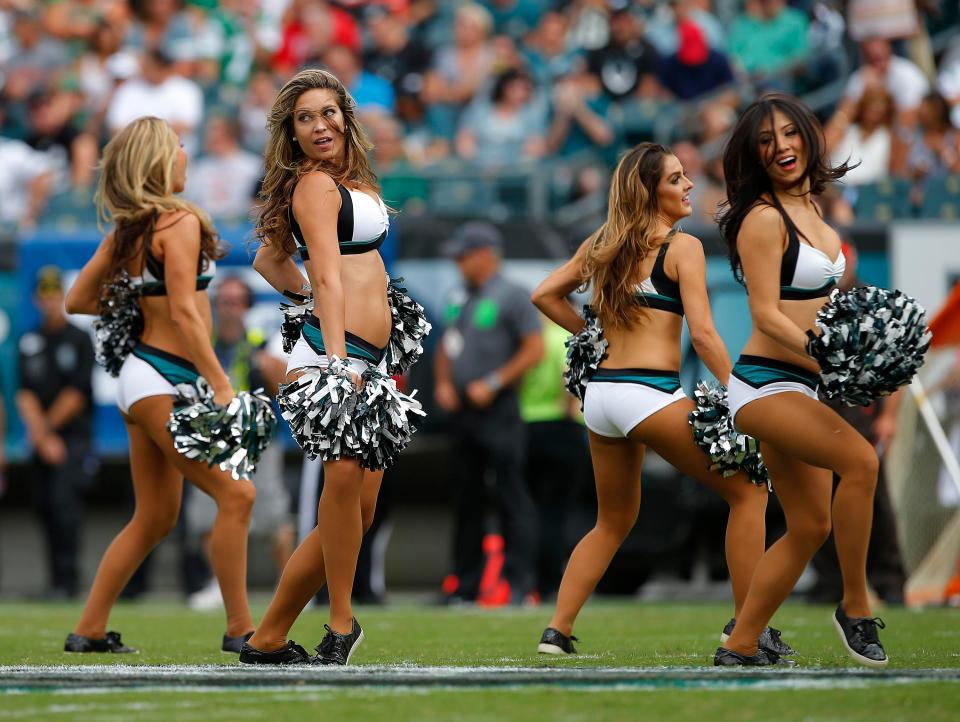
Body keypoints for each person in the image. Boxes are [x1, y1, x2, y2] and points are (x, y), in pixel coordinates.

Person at [530, 142, 775, 657]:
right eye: (676, 179)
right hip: (648, 394)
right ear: (650, 191)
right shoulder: (682, 247)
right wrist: (743, 391)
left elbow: (545, 294)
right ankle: (747, 630)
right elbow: (704, 336)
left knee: (612, 520)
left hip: (599, 400)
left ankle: (558, 629)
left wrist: (588, 337)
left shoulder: (604, 241)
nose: (688, 185)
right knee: (749, 493)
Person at [62, 116, 256, 654]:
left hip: (140, 379)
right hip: (163, 379)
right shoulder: (179, 222)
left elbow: (76, 300)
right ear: (158, 161)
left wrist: (129, 305)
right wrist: (221, 382)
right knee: (237, 493)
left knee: (155, 516)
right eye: (177, 148)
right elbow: (187, 316)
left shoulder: (129, 230)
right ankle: (241, 629)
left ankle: (90, 630)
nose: (185, 155)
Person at [242, 68, 417, 666]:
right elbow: (322, 274)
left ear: (346, 116)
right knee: (342, 489)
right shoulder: (314, 186)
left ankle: (267, 636)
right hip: (332, 358)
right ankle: (341, 623)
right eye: (304, 119)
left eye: (328, 113)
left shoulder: (353, 180)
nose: (319, 126)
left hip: (369, 358)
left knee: (358, 511)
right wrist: (337, 355)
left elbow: (269, 258)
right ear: (290, 134)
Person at [715, 93, 887, 667]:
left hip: (803, 383)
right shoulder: (764, 219)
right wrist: (829, 354)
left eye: (789, 134)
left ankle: (741, 644)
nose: (782, 147)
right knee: (861, 463)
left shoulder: (815, 209)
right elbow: (765, 313)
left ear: (808, 138)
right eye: (767, 140)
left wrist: (866, 346)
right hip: (764, 383)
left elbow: (830, 307)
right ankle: (857, 605)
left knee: (811, 523)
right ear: (755, 154)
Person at [435, 222, 544, 605]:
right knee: (466, 499)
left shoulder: (513, 295)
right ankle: (463, 585)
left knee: (511, 495)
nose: (458, 263)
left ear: (486, 254)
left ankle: (518, 583)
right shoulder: (458, 296)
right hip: (464, 412)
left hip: (499, 410)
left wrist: (495, 383)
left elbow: (534, 349)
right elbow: (447, 347)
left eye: (464, 256)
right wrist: (444, 384)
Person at [185, 276, 294, 610]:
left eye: (236, 301)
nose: (229, 308)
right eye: (224, 301)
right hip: (217, 439)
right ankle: (221, 584)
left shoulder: (262, 341)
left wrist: (268, 365)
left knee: (274, 515)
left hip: (257, 438)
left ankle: (291, 586)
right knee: (206, 516)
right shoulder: (206, 342)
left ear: (247, 306)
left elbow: (284, 386)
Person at [16, 266, 96, 600]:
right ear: (36, 299)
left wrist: (47, 431)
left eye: (54, 294)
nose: (50, 300)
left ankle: (69, 580)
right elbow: (24, 392)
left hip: (72, 439)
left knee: (66, 508)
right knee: (44, 507)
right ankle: (54, 581)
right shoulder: (29, 340)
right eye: (44, 294)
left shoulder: (78, 339)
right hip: (42, 439)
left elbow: (76, 393)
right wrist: (41, 435)